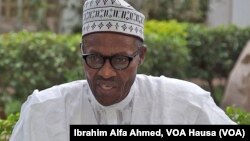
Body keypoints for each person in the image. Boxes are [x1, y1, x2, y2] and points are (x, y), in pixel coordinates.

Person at [10, 0, 235, 140]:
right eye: (95, 58)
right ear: (82, 51)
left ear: (141, 56)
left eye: (120, 60)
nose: (106, 73)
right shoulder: (43, 111)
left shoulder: (187, 104)